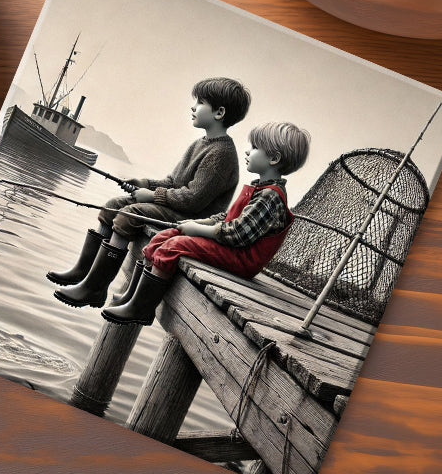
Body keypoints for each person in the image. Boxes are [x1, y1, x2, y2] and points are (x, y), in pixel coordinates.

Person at [48, 77, 251, 308]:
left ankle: (94, 288)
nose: (193, 107)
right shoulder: (200, 144)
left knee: (129, 215)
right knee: (112, 205)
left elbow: (192, 200)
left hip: (191, 219)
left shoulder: (221, 155)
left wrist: (152, 196)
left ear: (219, 112)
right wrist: (144, 183)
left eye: (200, 102)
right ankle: (83, 272)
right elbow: (173, 182)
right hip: (176, 208)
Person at [102, 121, 311, 326]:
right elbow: (227, 218)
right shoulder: (260, 188)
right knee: (164, 236)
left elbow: (236, 234)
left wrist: (197, 230)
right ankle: (134, 297)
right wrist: (196, 222)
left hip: (241, 258)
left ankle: (142, 308)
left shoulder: (270, 197)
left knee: (174, 246)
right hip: (231, 247)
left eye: (255, 148)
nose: (248, 151)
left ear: (274, 158)